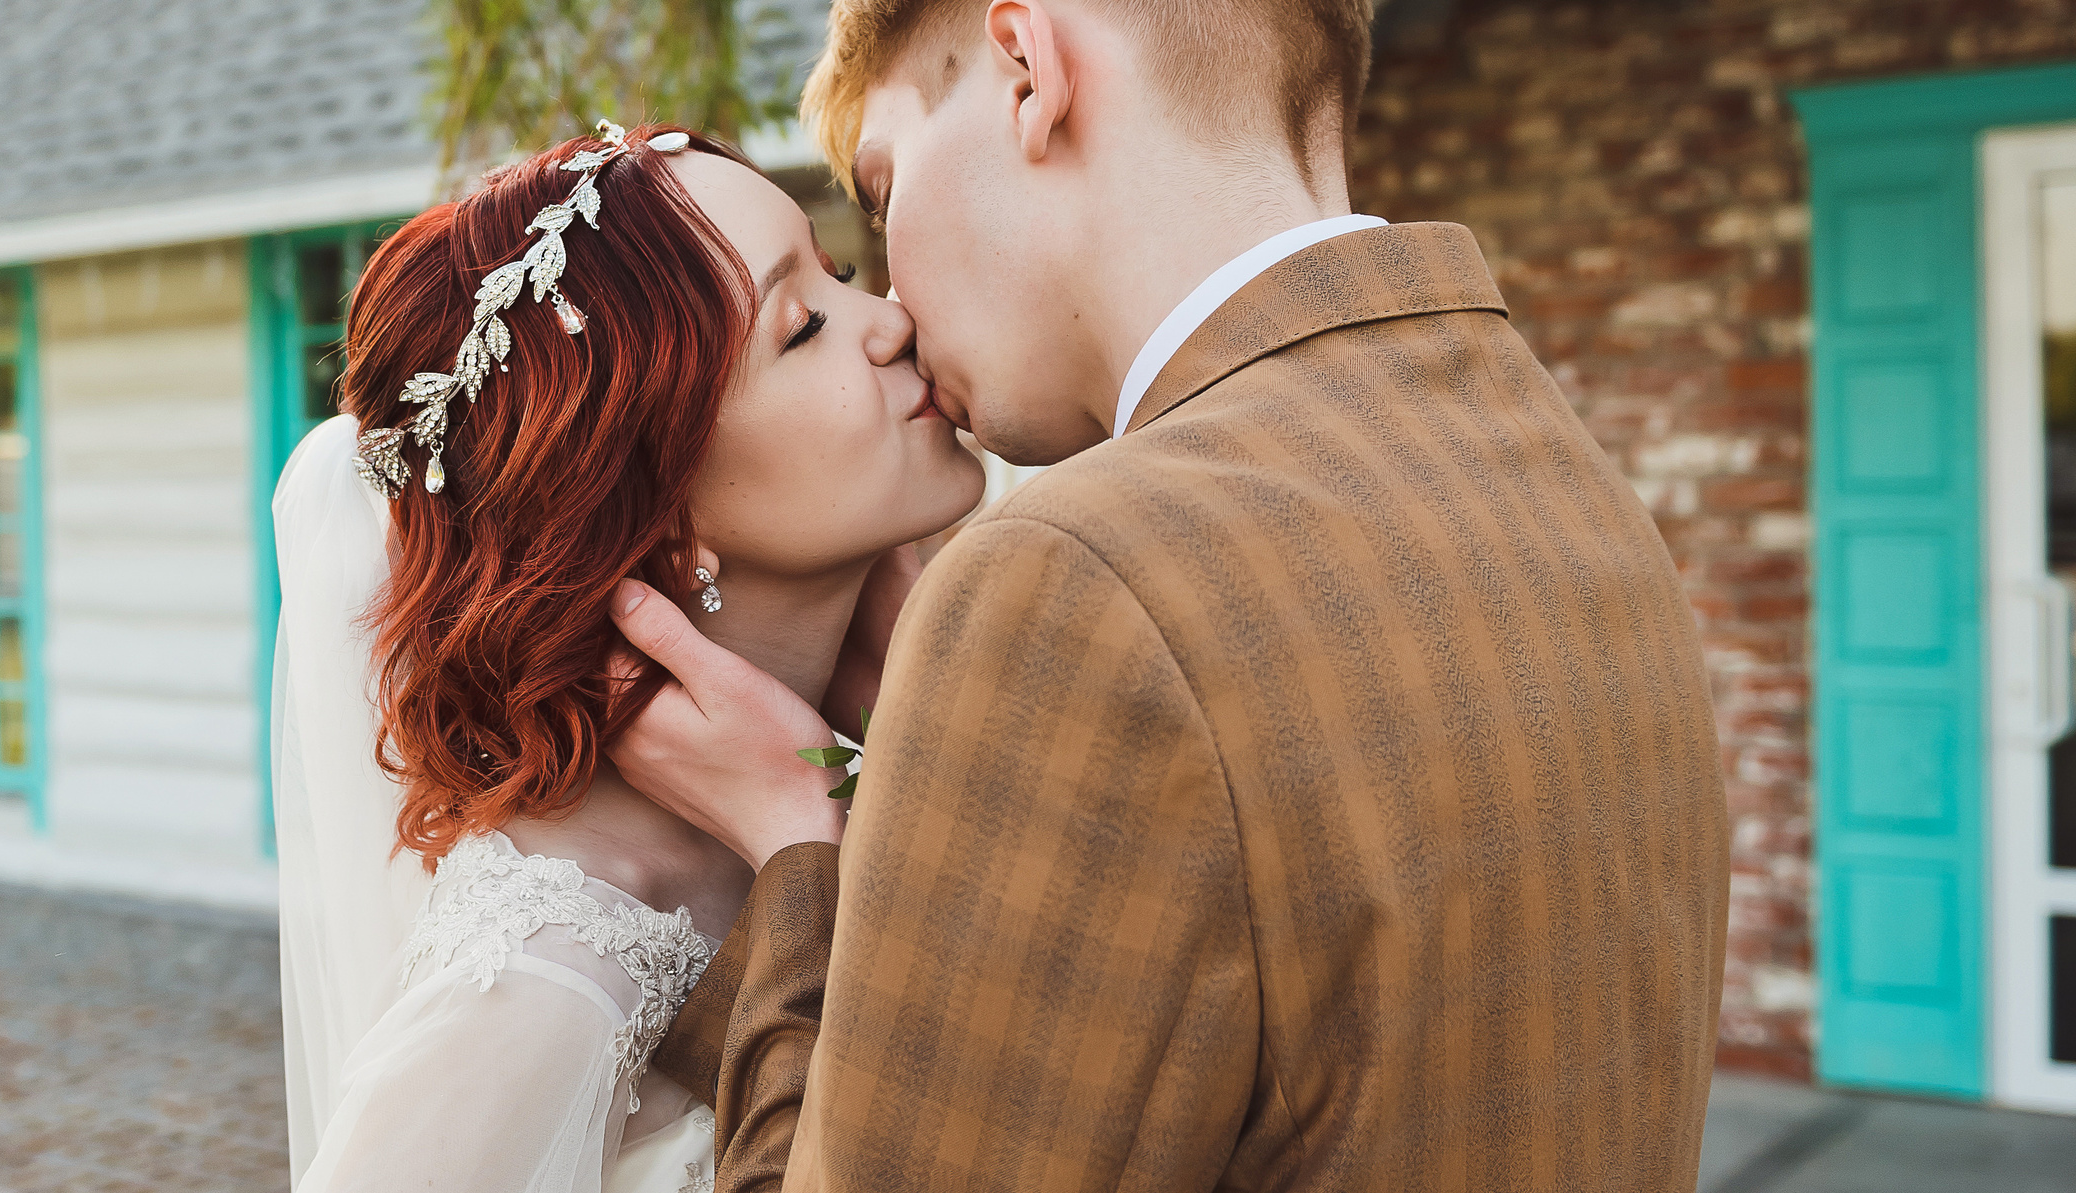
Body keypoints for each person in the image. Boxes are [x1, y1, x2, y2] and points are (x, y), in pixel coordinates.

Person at [606, 2, 1734, 1190]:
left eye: (883, 195)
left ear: (1027, 70)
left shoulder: (1069, 585)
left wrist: (799, 846)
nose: (893, 305)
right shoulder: (1578, 495)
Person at [269, 122, 987, 1193]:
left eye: (837, 276)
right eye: (800, 328)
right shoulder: (551, 970)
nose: (889, 320)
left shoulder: (900, 745)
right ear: (656, 510)